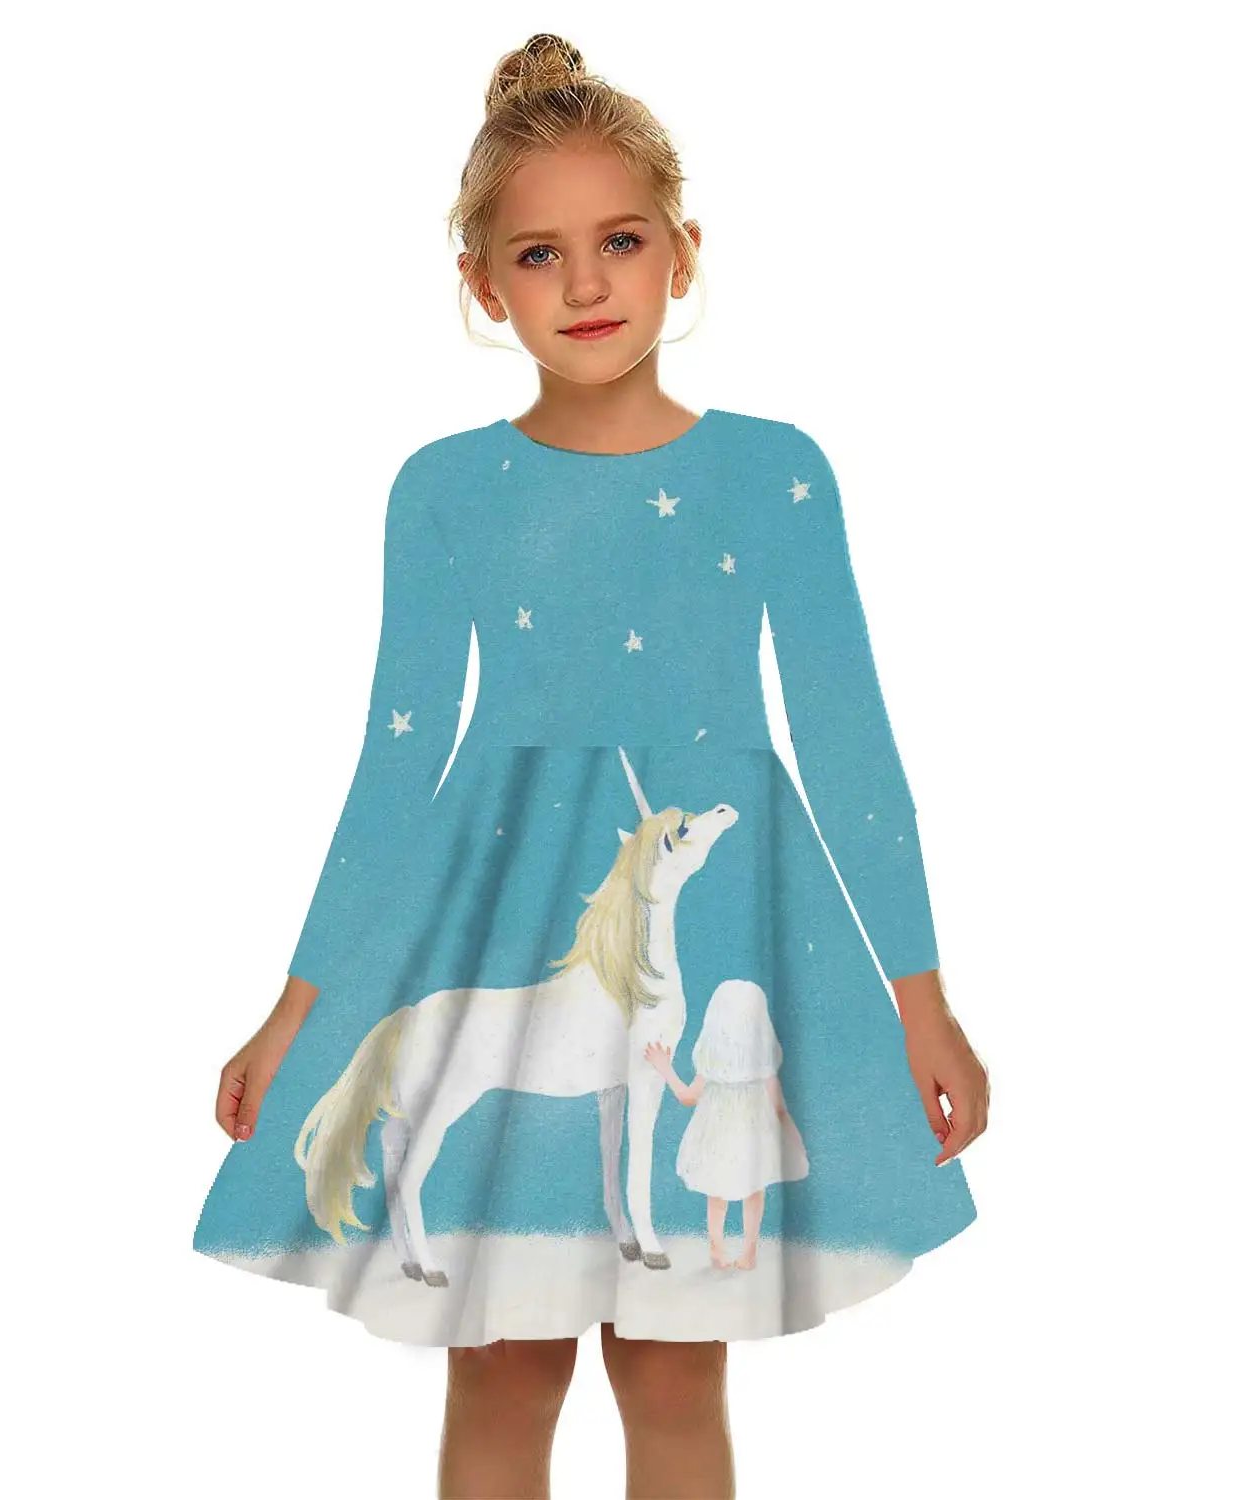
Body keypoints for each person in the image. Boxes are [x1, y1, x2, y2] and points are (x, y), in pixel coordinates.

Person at [193, 32, 990, 1500]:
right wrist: (296, 1007)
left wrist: (920, 1001)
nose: (585, 284)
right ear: (481, 285)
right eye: (538, 254)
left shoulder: (777, 471)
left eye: (619, 240)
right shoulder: (443, 489)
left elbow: (848, 734)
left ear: (684, 252)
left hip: (726, 920)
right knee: (504, 1362)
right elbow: (392, 768)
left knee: (677, 1366)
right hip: (501, 928)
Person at [645, 979, 810, 1271]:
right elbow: (781, 1110)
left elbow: (687, 1097)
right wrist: (795, 1140)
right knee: (754, 1190)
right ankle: (749, 1252)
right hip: (754, 1137)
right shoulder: (763, 1068)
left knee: (717, 1192)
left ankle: (717, 1248)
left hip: (717, 1136)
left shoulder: (712, 1066)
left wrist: (665, 1068)